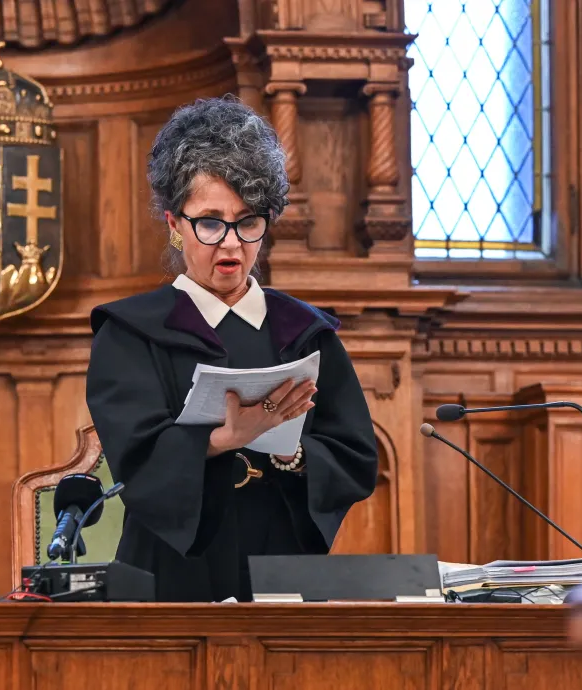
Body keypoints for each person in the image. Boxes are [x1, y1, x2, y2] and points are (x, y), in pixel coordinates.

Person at [85, 96, 378, 603]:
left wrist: (291, 452)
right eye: (210, 221)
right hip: (173, 574)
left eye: (248, 222)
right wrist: (221, 439)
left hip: (283, 571)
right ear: (175, 225)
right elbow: (135, 458)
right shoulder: (131, 332)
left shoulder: (306, 332)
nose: (231, 244)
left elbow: (355, 457)